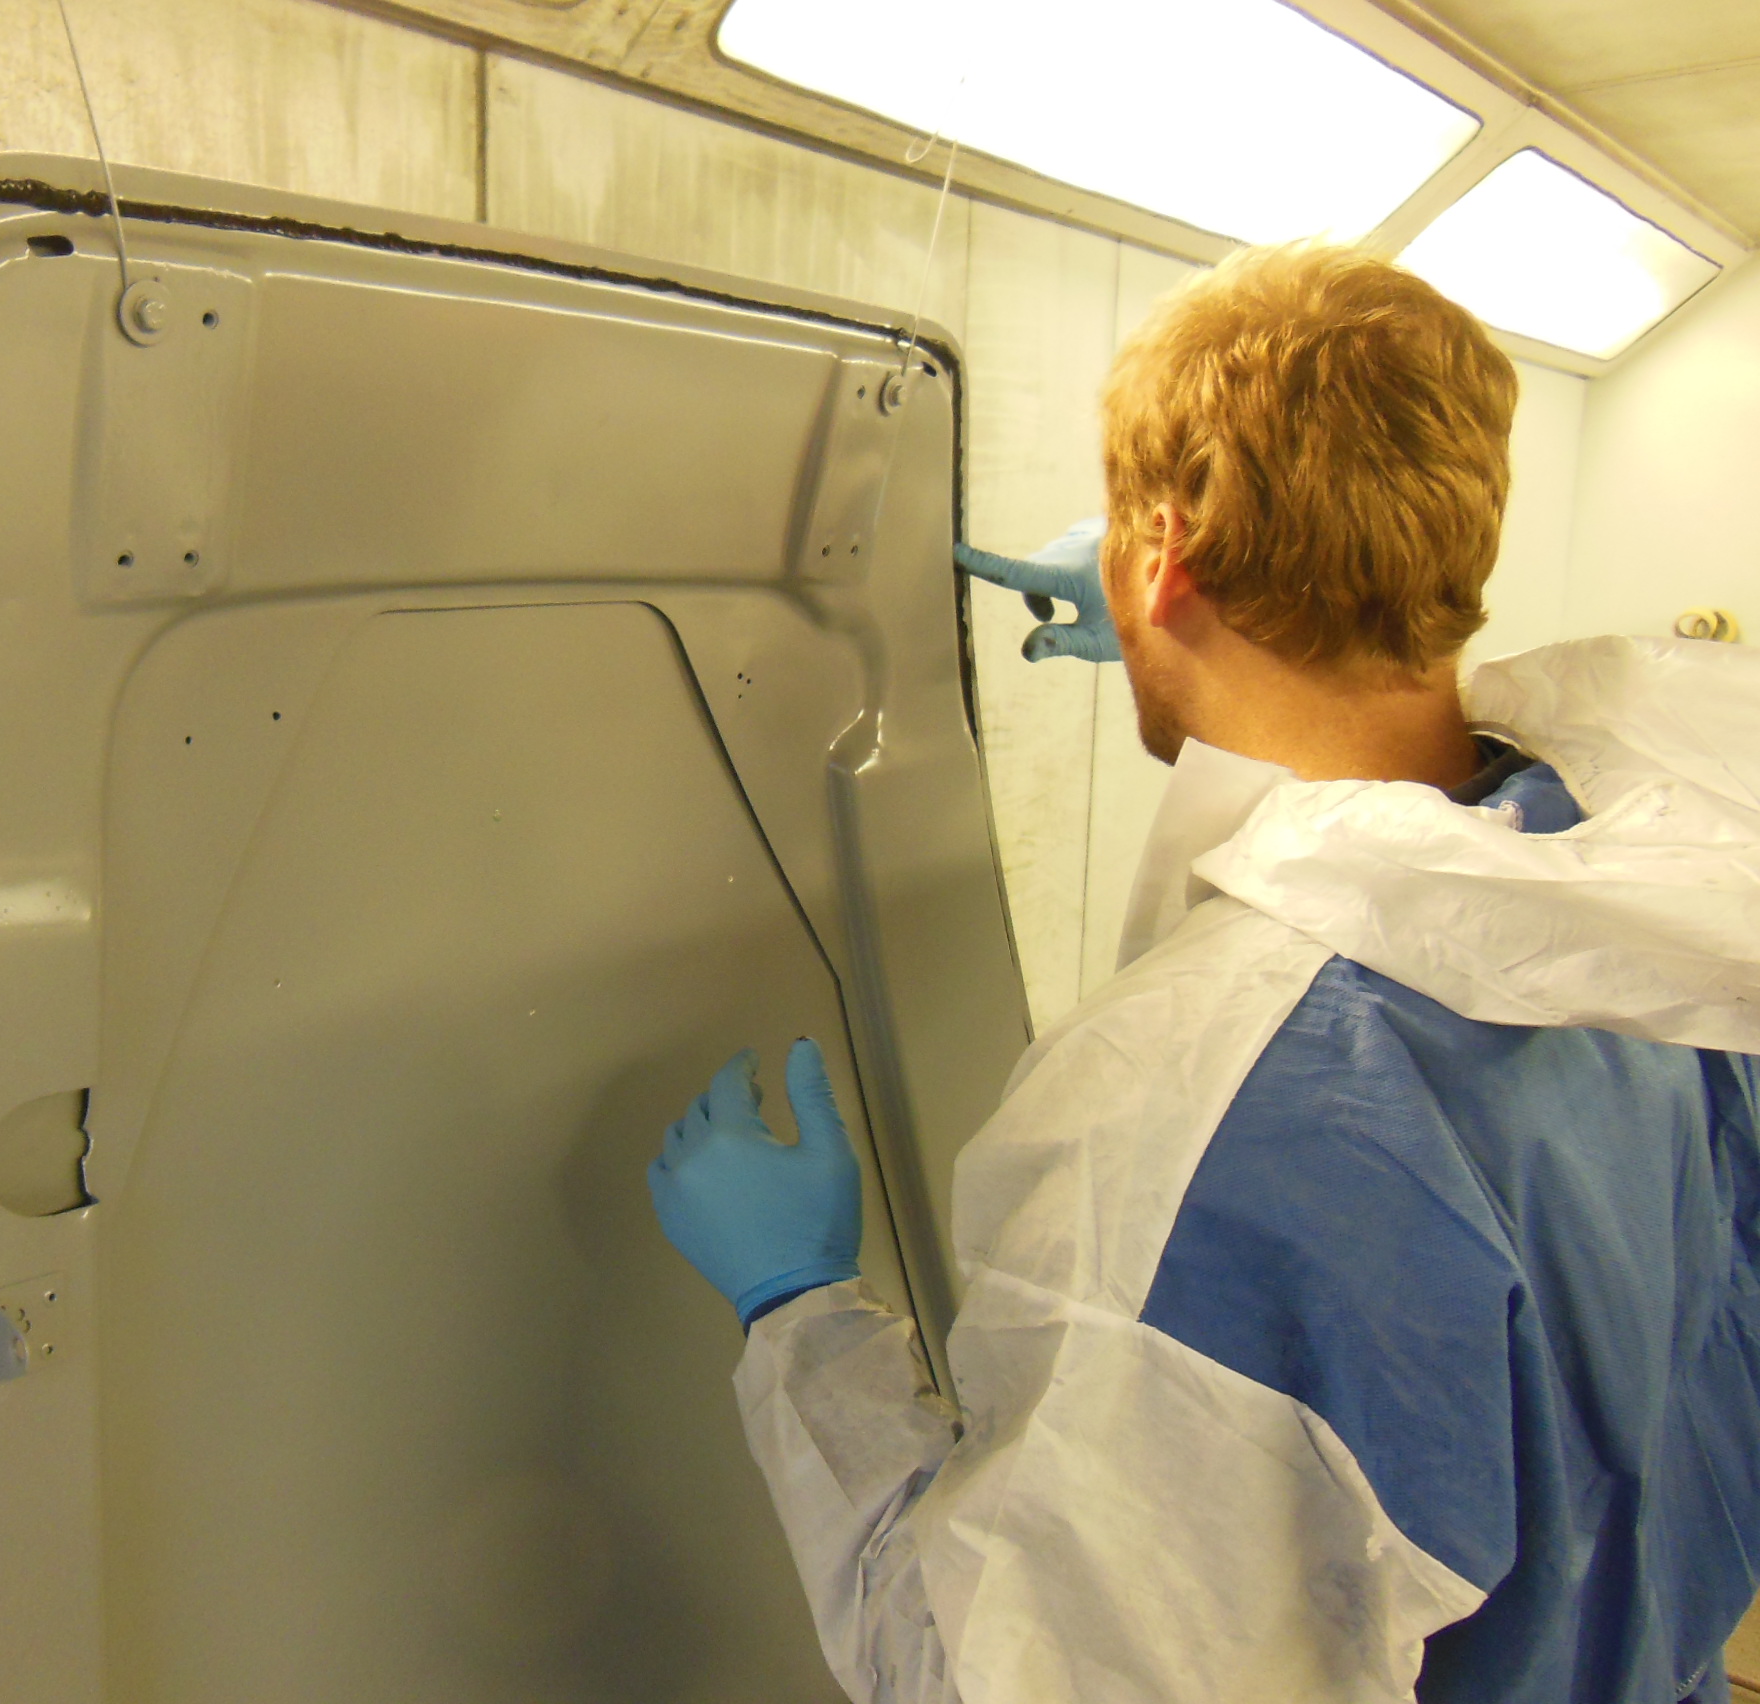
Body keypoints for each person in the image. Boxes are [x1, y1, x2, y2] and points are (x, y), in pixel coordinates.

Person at [647, 242, 1760, 1704]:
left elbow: (989, 1673)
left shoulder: (1203, 1133)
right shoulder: (1648, 900)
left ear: (1166, 549)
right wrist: (1187, 623)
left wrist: (800, 1318)